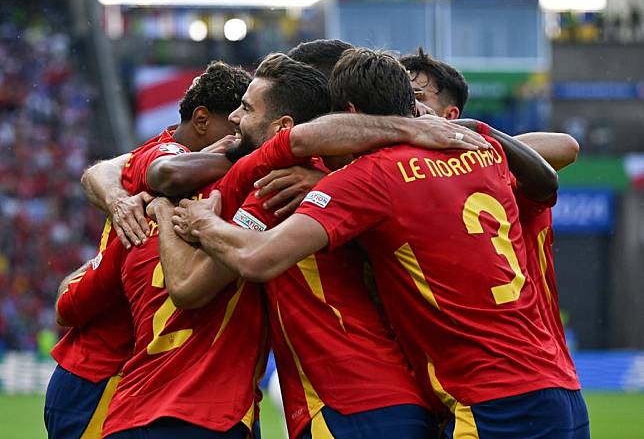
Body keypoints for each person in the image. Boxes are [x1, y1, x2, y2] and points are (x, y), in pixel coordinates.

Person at [174, 48, 589, 438]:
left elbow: (249, 261)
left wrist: (200, 222)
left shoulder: (361, 180)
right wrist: (477, 129)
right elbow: (551, 171)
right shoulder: (483, 154)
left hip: (481, 402)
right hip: (559, 387)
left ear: (348, 116)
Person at [152, 53, 466, 439]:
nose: (234, 117)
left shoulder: (276, 186)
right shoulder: (358, 177)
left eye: (246, 109)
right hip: (396, 402)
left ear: (282, 127)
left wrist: (173, 215)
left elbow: (189, 287)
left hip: (347, 405)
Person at [45, 61, 251, 439]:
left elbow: (100, 172)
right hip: (101, 376)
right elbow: (164, 172)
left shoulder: (193, 174)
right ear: (203, 121)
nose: (243, 135)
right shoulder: (167, 163)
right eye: (235, 128)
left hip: (145, 383)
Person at [402, 47, 583, 399]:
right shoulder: (402, 179)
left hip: (520, 371)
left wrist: (468, 137)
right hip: (450, 381)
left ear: (450, 114)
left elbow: (565, 146)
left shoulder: (496, 174)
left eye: (418, 98)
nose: (410, 110)